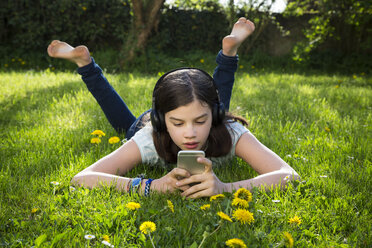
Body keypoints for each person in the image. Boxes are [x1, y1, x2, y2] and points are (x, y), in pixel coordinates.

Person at [47, 17, 299, 199]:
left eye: (200, 122)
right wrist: (149, 186)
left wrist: (225, 188)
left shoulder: (230, 130)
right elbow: (81, 179)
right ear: (162, 119)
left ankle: (228, 55)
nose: (190, 133)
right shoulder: (148, 137)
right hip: (144, 125)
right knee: (124, 125)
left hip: (207, 114)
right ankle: (86, 65)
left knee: (214, 101)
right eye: (178, 123)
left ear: (213, 117)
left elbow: (290, 176)